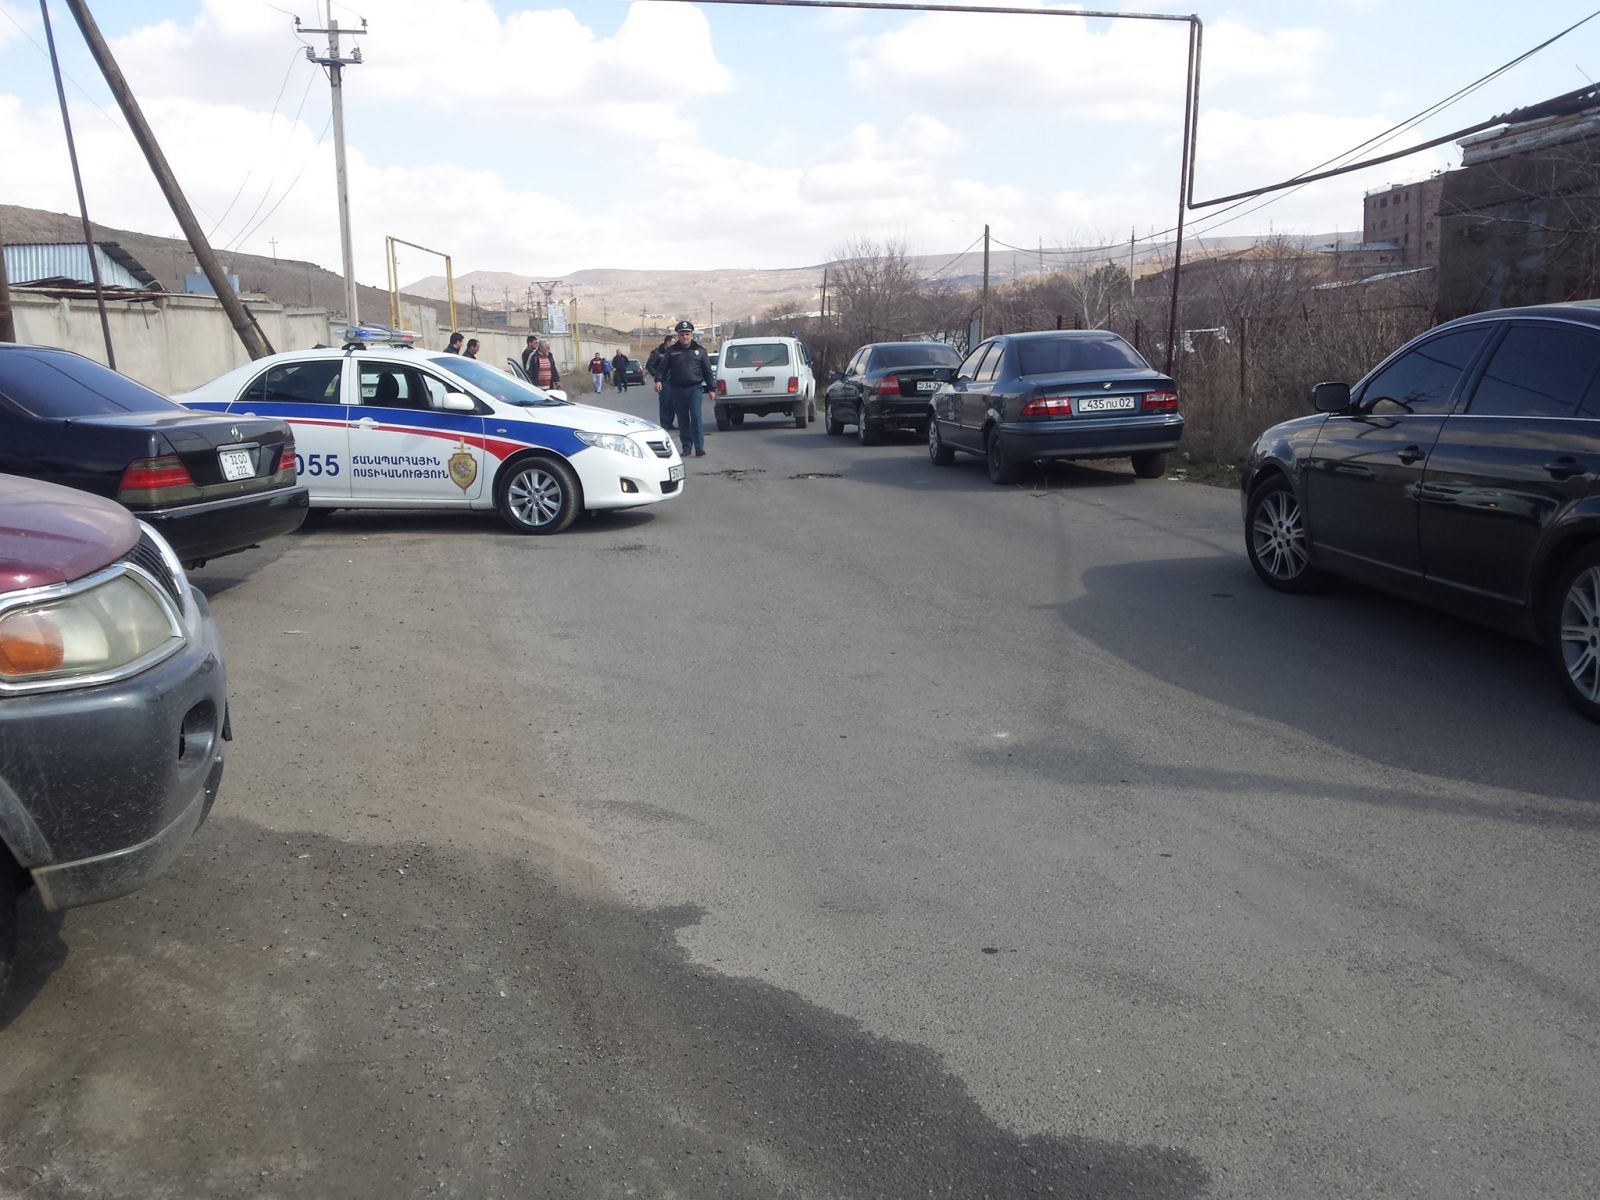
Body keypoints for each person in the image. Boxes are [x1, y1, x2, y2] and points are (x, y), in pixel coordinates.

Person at [656, 320, 714, 457]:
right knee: (682, 420)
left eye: (687, 334)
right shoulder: (671, 351)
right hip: (677, 390)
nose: (685, 337)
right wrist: (658, 380)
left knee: (696, 416)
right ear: (678, 336)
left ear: (692, 335)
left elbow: (707, 371)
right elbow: (663, 368)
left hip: (695, 389)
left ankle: (699, 447)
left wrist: (712, 389)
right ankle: (686, 447)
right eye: (682, 334)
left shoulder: (700, 351)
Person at [646, 333, 676, 429]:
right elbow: (649, 365)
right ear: (668, 342)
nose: (674, 344)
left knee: (673, 403)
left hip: (674, 380)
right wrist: (657, 376)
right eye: (673, 342)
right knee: (665, 402)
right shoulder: (657, 352)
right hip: (663, 381)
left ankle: (670, 423)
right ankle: (665, 424)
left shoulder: (673, 352)